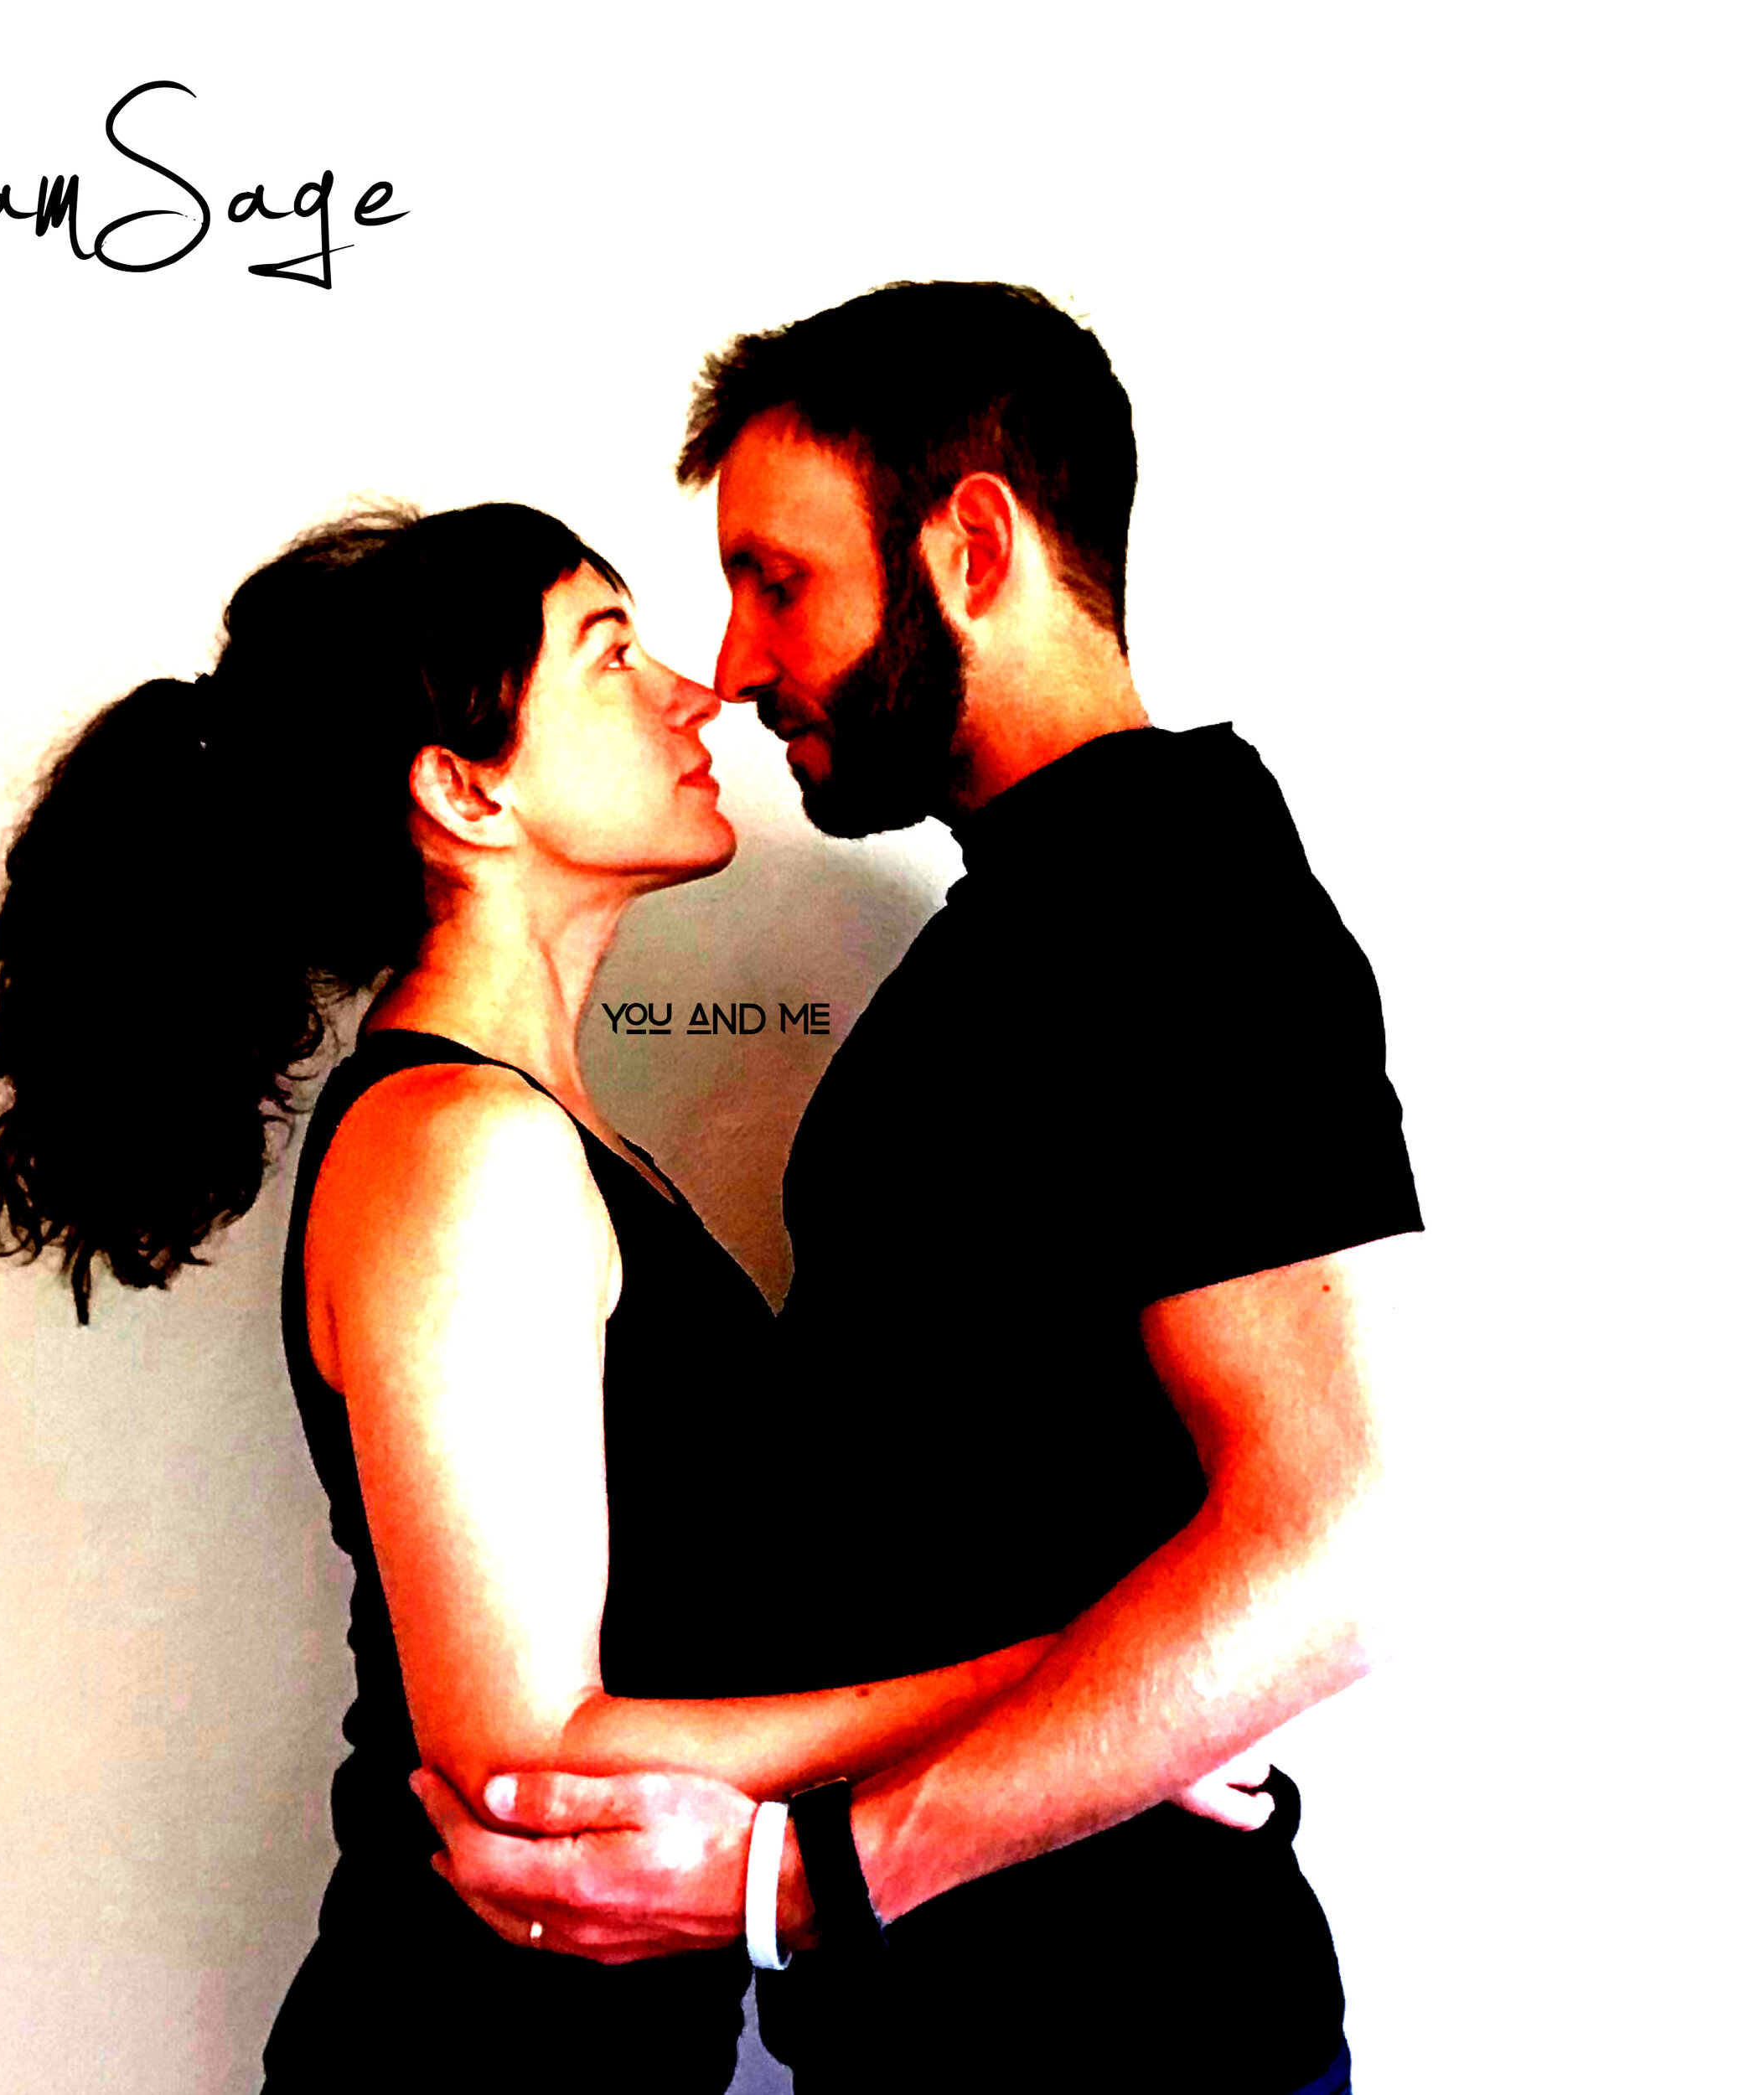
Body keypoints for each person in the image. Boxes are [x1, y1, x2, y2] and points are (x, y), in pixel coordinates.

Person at [0, 499, 1260, 2092]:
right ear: (466, 790)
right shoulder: (465, 1152)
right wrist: (1085, 1692)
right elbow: (529, 1761)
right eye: (611, 654)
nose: (697, 692)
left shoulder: (552, 1140)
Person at [414, 284, 1424, 2094]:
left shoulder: (1179, 903)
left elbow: (1346, 1552)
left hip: (1132, 2041)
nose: (733, 663)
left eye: (776, 579)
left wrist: (811, 1880)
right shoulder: (1028, 920)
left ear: (970, 545)